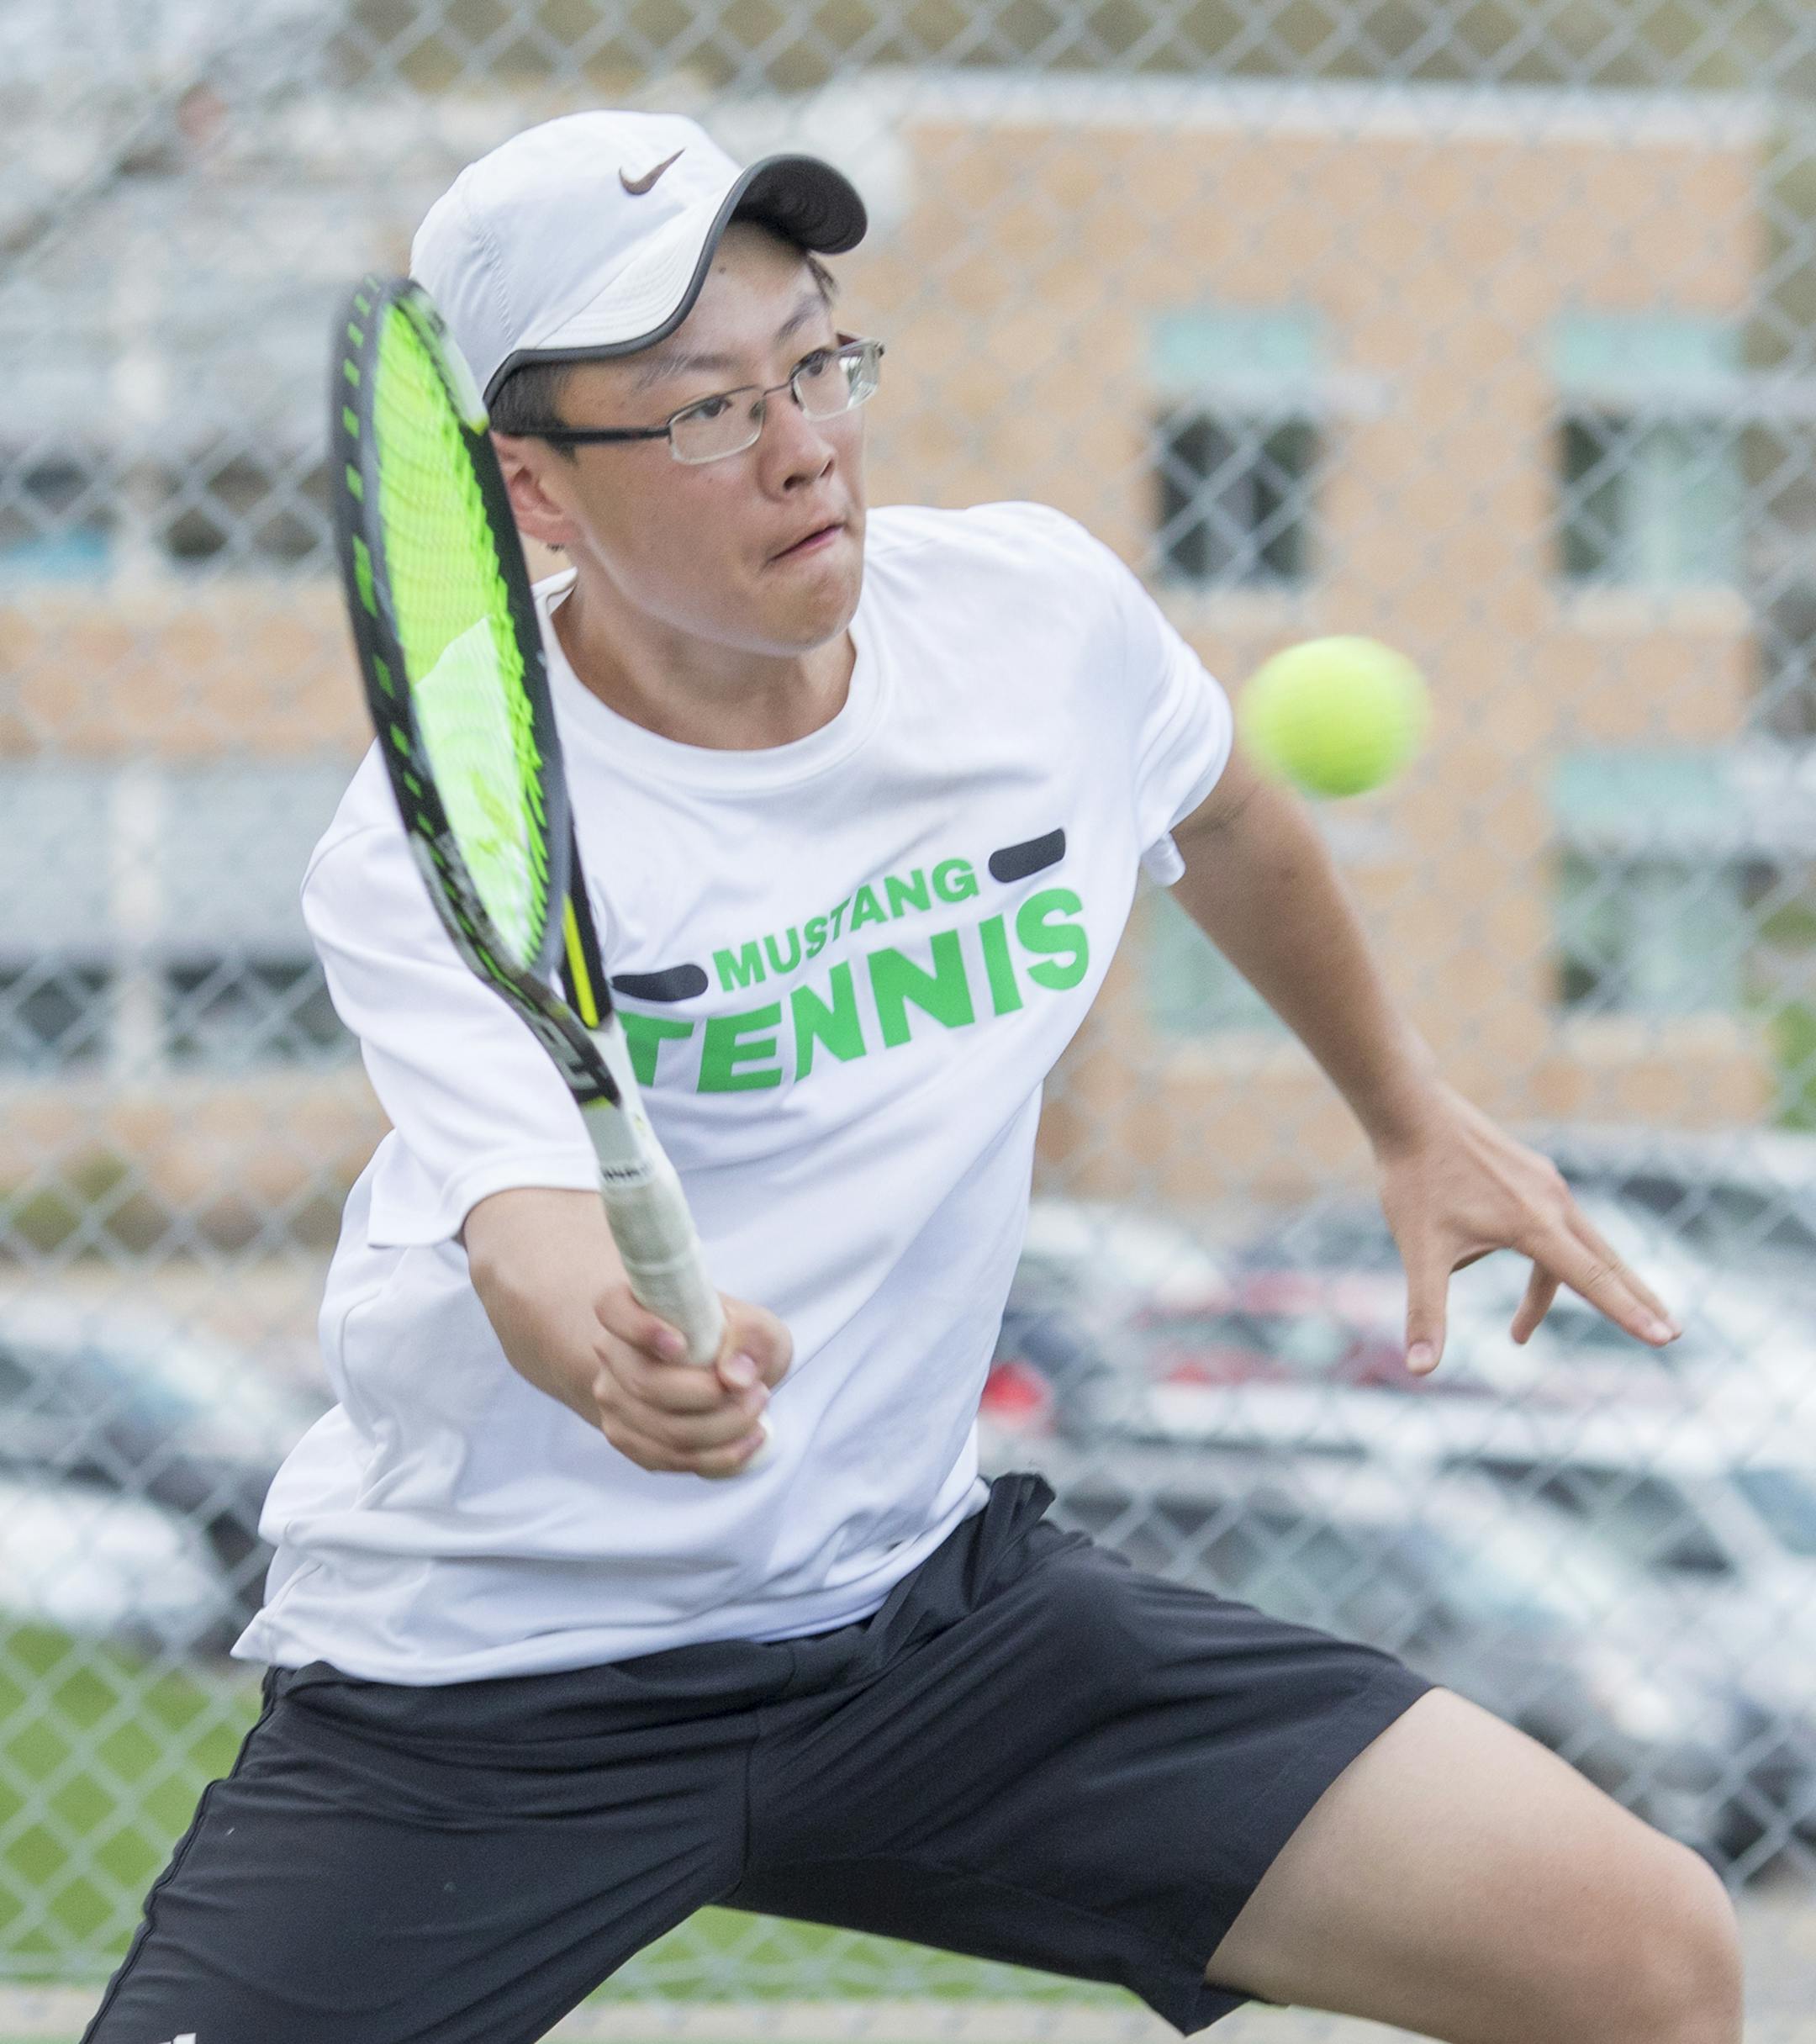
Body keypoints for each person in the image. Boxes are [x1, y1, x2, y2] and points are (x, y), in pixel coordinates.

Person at [84, 110, 1744, 2044]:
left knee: (1641, 1955)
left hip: (920, 1623)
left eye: (817, 362)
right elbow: (526, 1227)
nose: (804, 445)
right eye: (706, 410)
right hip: (497, 1679)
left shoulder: (1035, 622)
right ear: (533, 491)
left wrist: (1407, 1110)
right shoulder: (441, 829)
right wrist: (615, 1347)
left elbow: (1225, 814)